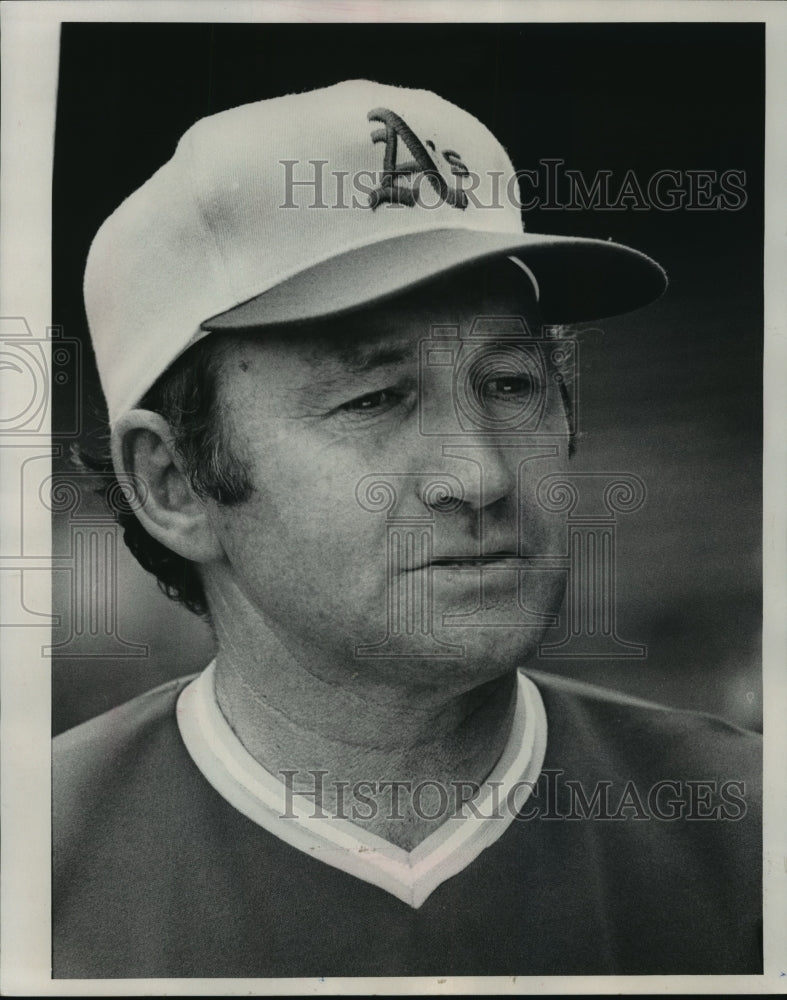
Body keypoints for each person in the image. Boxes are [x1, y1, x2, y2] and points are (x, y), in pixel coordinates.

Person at [53, 79, 761, 979]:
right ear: (175, 484)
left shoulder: (749, 829)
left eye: (510, 384)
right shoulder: (31, 870)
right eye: (374, 398)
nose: (480, 473)